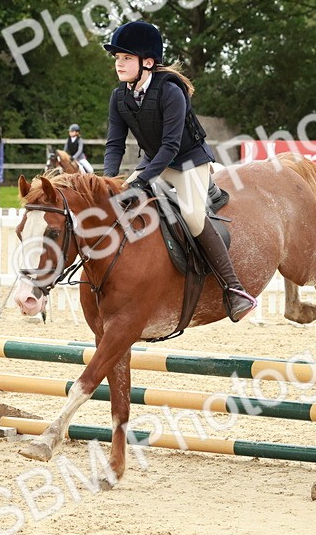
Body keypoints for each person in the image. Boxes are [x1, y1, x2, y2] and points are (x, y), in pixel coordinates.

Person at [102, 20, 257, 322]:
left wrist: (143, 180)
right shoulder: (119, 96)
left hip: (189, 162)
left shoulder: (171, 92)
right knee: (117, 203)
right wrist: (109, 182)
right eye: (117, 59)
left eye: (126, 58)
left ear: (147, 62)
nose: (119, 64)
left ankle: (234, 290)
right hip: (153, 161)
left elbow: (171, 146)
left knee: (192, 217)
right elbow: (114, 144)